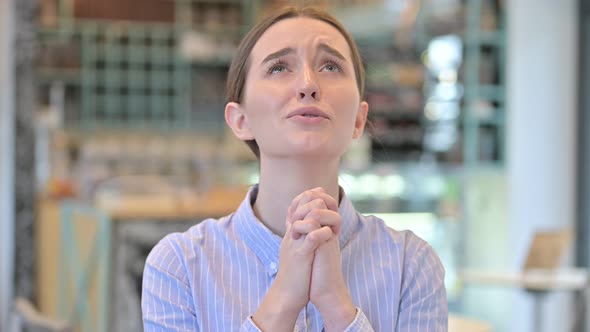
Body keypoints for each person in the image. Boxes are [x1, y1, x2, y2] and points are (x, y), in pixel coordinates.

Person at [142, 5, 447, 332]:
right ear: (240, 120)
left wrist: (336, 306)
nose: (308, 85)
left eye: (330, 66)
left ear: (359, 119)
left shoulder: (411, 266)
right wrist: (283, 299)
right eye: (278, 68)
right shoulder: (180, 266)